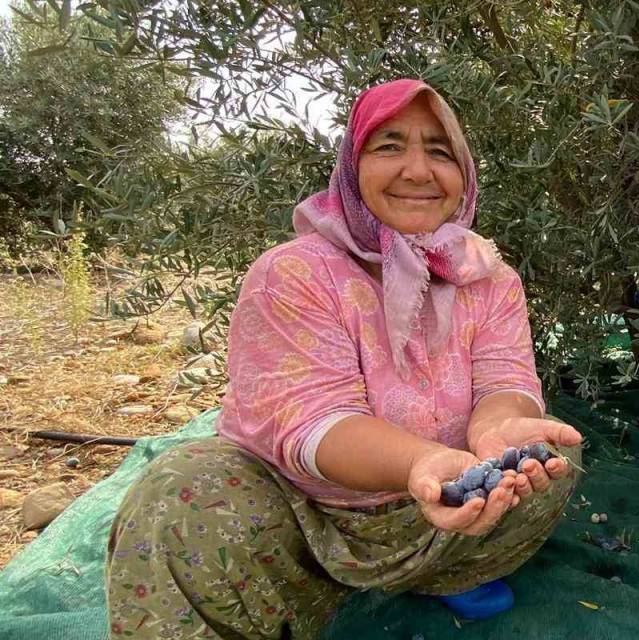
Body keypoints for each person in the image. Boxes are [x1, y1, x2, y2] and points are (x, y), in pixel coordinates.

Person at [106, 79, 582, 639]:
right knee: (183, 489)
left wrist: (497, 431)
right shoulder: (293, 273)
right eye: (389, 146)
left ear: (464, 173)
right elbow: (312, 420)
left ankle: (442, 571)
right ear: (352, 168)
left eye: (440, 151)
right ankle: (297, 593)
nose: (418, 171)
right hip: (304, 515)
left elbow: (504, 377)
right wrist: (423, 462)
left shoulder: (488, 276)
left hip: (438, 498)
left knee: (547, 457)